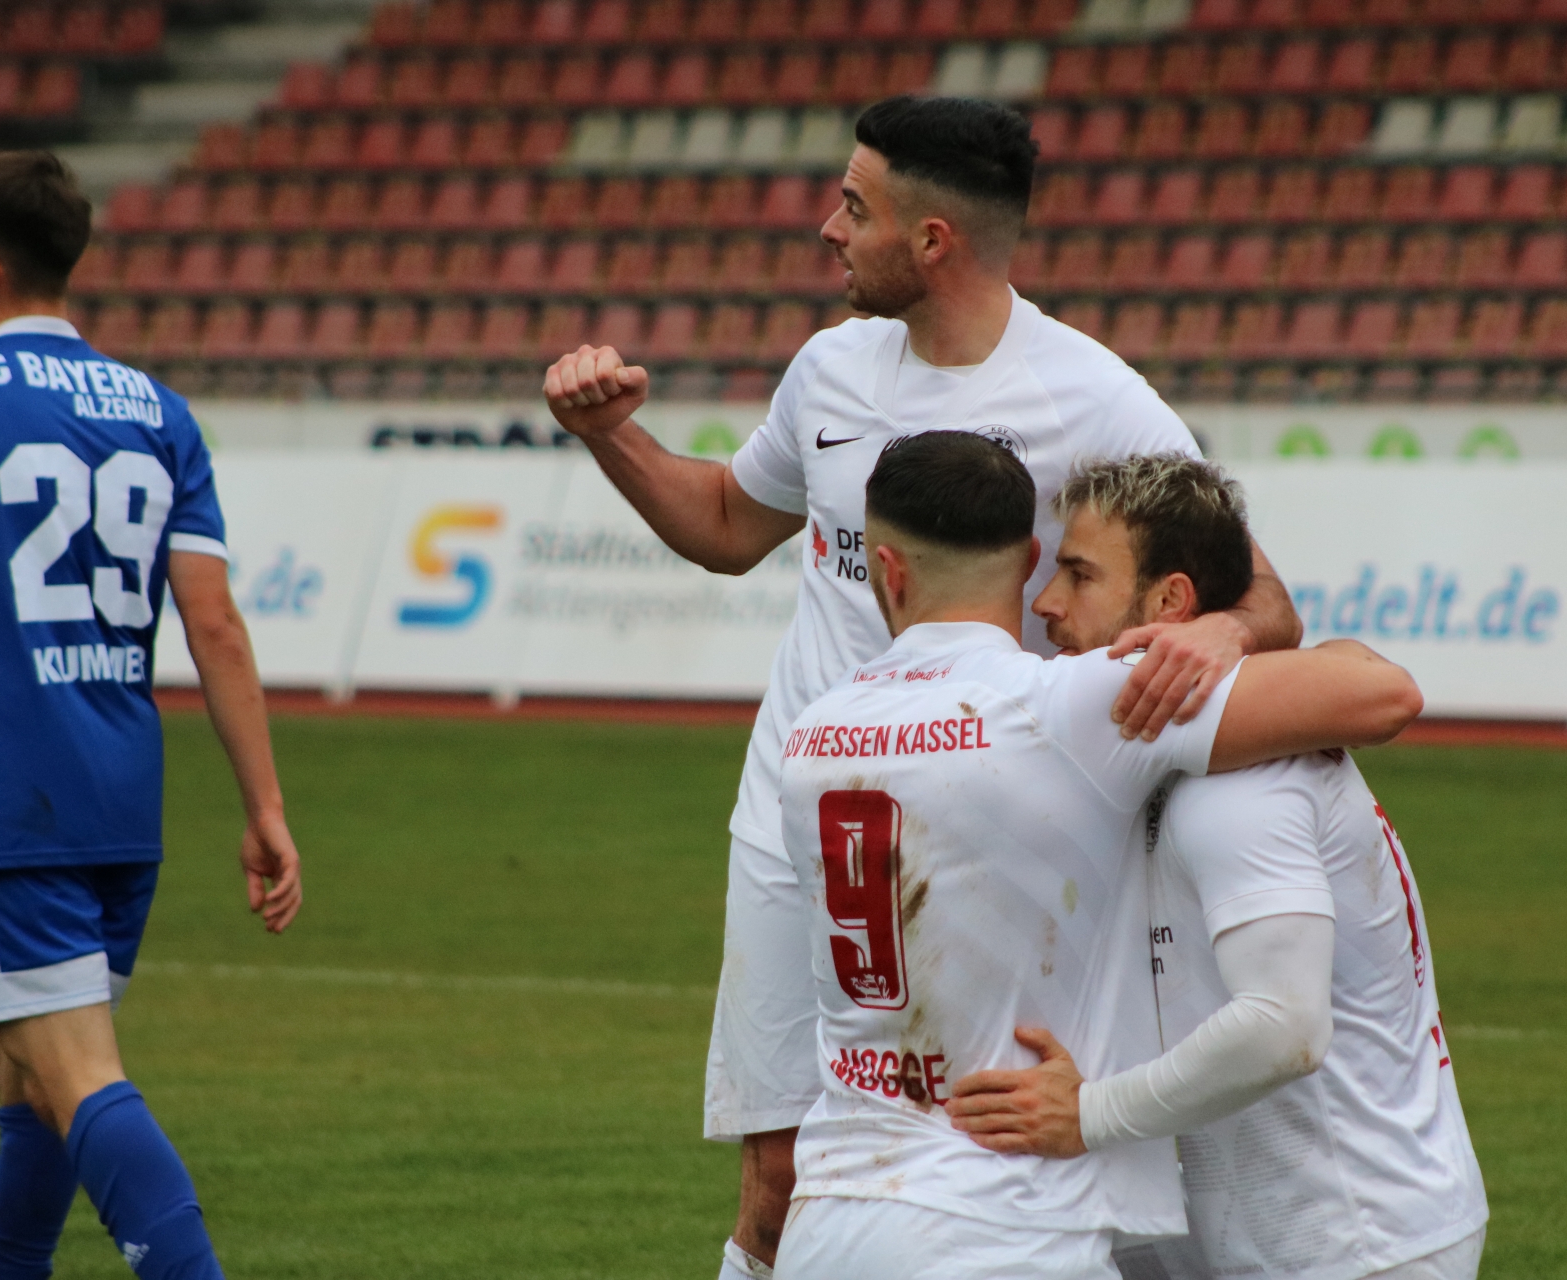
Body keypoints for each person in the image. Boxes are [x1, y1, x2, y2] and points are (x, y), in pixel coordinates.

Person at [544, 96, 1303, 1278]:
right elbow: (732, 524)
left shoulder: (1093, 398)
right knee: (779, 1181)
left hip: (989, 842)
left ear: (933, 238)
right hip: (804, 819)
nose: (827, 229)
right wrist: (610, 435)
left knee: (1005, 1153)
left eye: (855, 206)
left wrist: (1225, 630)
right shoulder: (830, 368)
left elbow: (1263, 597)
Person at [770, 432, 1420, 1280]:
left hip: (830, 1210)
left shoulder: (811, 732)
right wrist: (1228, 632)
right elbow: (1381, 694)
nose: (1051, 601)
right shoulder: (1069, 705)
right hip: (1002, 1224)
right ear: (1025, 562)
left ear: (887, 572)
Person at [945, 455, 1490, 1280]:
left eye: (1079, 574)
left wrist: (1086, 1114)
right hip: (1278, 1234)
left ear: (1170, 603)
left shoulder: (1240, 786)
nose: (1045, 603)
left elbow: (1284, 1028)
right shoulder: (1185, 750)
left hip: (1352, 1243)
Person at [0, 152, 303, 1280]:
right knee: (26, 1074)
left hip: (10, 798)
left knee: (75, 1073)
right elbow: (216, 626)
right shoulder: (159, 411)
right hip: (119, 799)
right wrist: (264, 807)